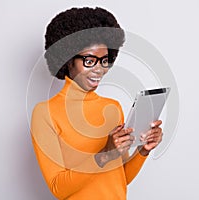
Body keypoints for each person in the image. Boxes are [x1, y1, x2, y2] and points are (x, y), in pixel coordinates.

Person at [31, 7, 163, 200]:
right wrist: (105, 155)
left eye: (105, 60)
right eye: (90, 60)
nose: (99, 69)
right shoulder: (45, 113)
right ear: (68, 60)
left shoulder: (113, 107)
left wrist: (143, 150)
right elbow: (58, 188)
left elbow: (120, 178)